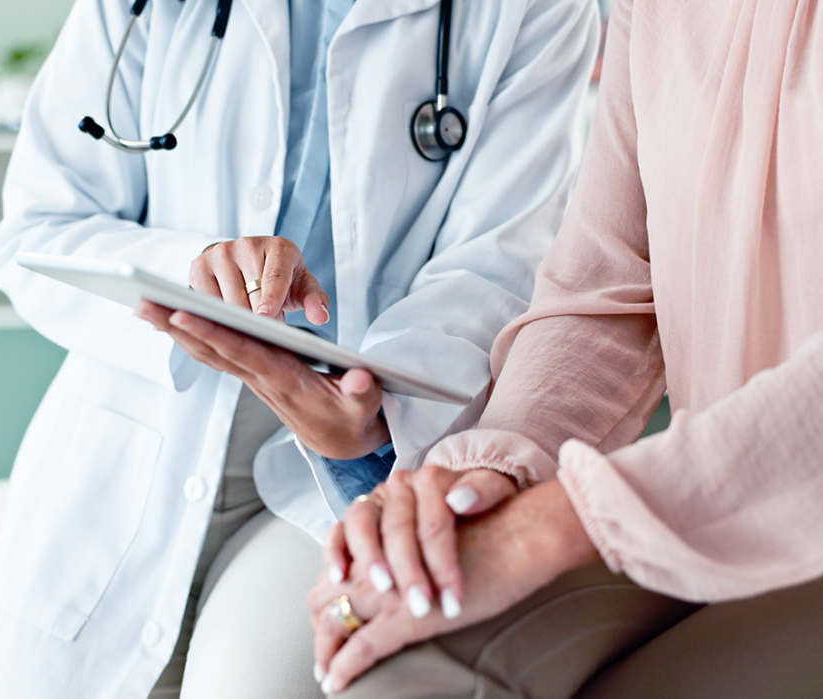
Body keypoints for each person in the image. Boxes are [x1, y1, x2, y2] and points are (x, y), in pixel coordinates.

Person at [0, 0, 601, 697]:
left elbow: (497, 266)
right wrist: (195, 272)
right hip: (141, 430)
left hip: (354, 463)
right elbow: (38, 228)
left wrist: (369, 415)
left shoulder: (536, 10)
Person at [310, 0, 823, 696]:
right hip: (700, 504)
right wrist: (480, 477)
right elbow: (605, 286)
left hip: (755, 515)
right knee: (399, 665)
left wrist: (554, 524)